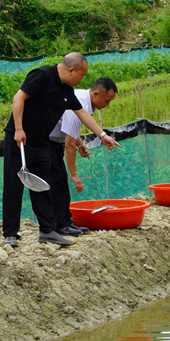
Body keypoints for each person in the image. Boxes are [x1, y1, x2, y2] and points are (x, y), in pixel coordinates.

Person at [3, 53, 120, 248]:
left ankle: (47, 231)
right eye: (81, 76)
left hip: (42, 142)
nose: (82, 80)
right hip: (20, 139)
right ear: (71, 70)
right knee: (14, 186)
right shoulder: (42, 75)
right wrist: (18, 129)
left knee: (43, 186)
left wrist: (102, 135)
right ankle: (10, 234)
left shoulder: (67, 90)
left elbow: (81, 112)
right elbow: (19, 97)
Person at [48, 77, 118, 237]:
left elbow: (66, 128)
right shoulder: (79, 102)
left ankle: (65, 222)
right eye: (107, 101)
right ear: (95, 94)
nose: (107, 106)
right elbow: (68, 145)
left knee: (60, 181)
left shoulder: (81, 99)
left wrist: (81, 144)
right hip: (44, 143)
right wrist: (74, 175)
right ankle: (59, 224)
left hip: (52, 142)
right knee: (57, 182)